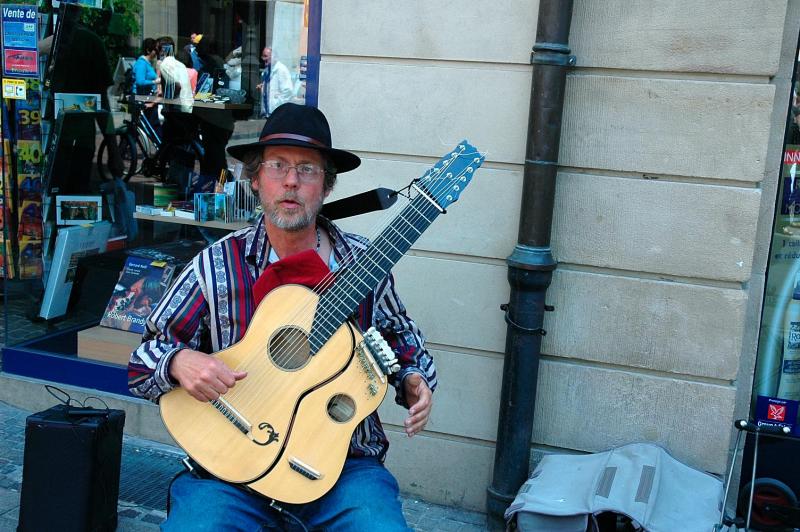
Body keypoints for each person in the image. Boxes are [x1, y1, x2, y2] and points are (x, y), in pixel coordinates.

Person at [128, 103, 435, 530]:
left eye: (307, 169)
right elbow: (143, 362)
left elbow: (401, 340)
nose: (291, 181)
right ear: (256, 180)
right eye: (277, 166)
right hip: (230, 470)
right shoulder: (216, 266)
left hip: (340, 467)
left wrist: (414, 379)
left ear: (326, 186)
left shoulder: (363, 264)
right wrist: (179, 362)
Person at [257, 47, 293, 118]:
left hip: (276, 113)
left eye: (265, 56)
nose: (263, 59)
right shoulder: (267, 70)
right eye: (262, 56)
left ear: (275, 57)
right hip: (267, 114)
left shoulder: (281, 70)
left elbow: (288, 91)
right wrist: (263, 87)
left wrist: (276, 105)